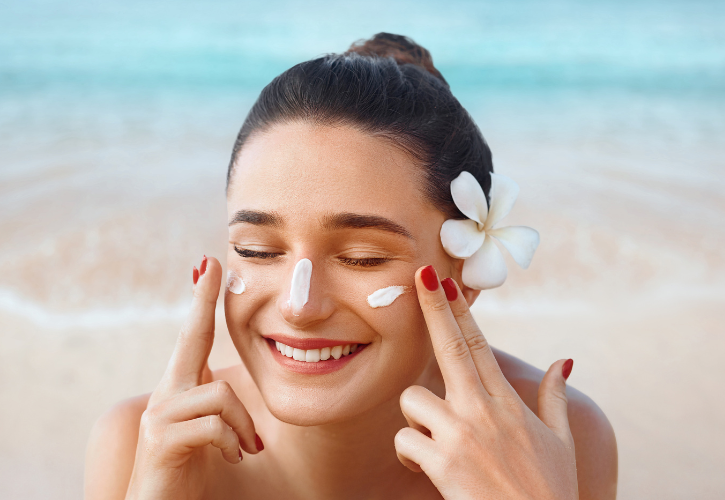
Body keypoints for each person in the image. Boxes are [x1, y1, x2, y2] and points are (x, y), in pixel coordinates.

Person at [84, 33, 618, 499]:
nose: (299, 306)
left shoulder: (552, 442)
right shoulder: (141, 447)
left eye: (363, 257)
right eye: (257, 250)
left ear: (463, 270)